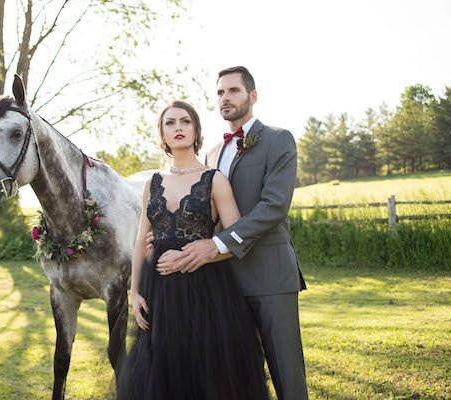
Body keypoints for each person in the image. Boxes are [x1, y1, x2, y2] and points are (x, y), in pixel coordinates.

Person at [156, 66, 308, 400]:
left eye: (234, 91)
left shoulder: (278, 139)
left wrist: (217, 244)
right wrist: (166, 235)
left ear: (252, 96)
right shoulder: (211, 153)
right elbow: (203, 212)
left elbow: (273, 207)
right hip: (222, 283)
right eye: (221, 92)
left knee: (286, 372)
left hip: (270, 276)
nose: (226, 98)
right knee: (240, 373)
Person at [116, 100, 269, 399]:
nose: (178, 128)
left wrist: (197, 253)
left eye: (185, 121)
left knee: (204, 371)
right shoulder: (153, 183)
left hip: (206, 293)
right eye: (170, 123)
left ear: (196, 129)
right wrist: (134, 293)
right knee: (160, 369)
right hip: (158, 292)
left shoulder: (215, 180)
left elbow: (239, 239)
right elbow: (140, 240)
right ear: (162, 134)